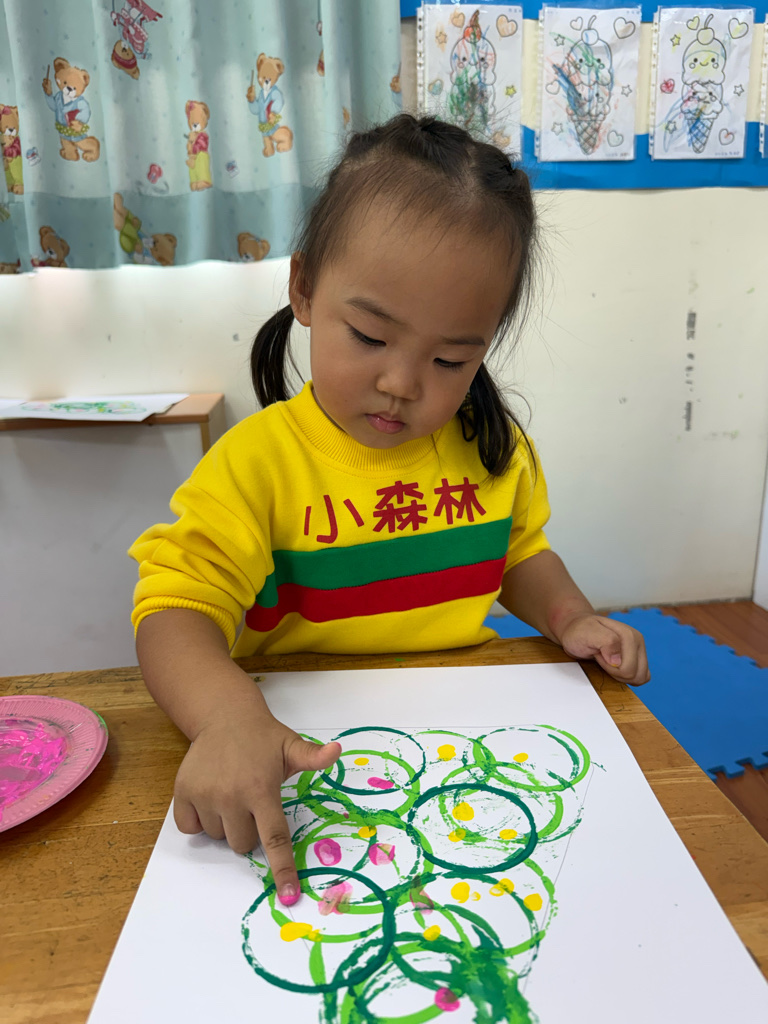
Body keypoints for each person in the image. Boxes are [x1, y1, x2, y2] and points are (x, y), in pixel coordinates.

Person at [129, 113, 649, 908]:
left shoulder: (491, 450)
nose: (403, 383)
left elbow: (518, 554)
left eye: (450, 359)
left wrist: (570, 616)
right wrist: (225, 719)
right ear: (305, 289)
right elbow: (175, 610)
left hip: (460, 749)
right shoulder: (256, 464)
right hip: (301, 752)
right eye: (371, 337)